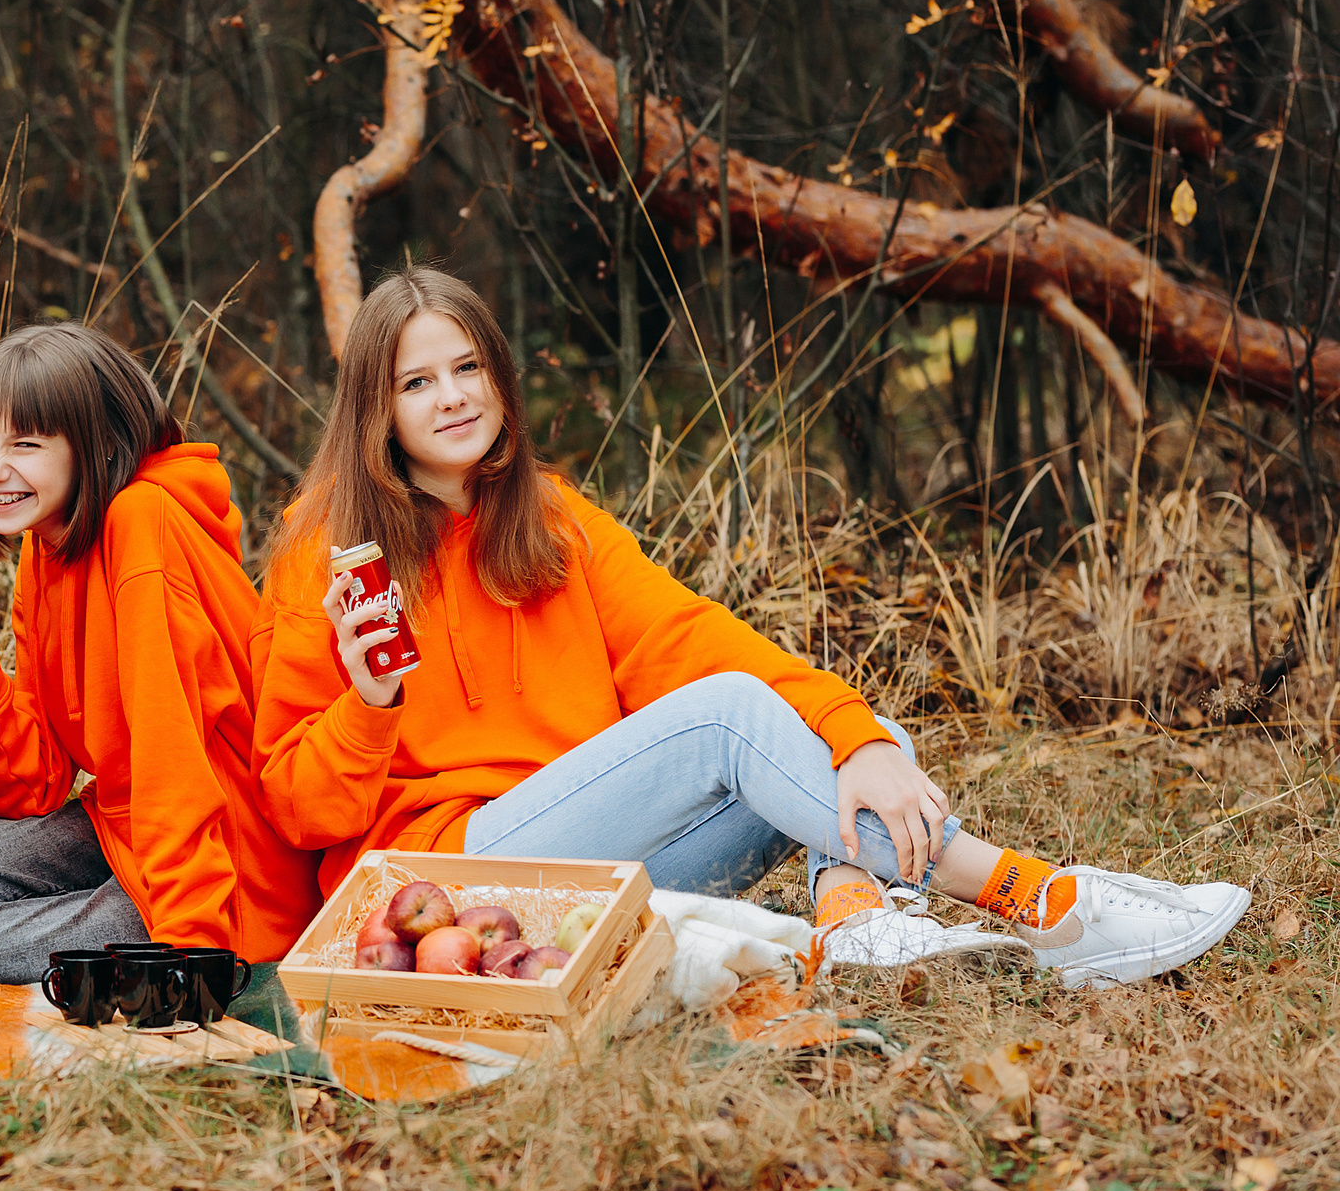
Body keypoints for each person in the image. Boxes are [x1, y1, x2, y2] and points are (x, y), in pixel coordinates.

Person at [251, 266, 1251, 988]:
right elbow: (299, 810)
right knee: (737, 720)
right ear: (374, 409)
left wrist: (855, 733)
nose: (452, 396)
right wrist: (371, 700)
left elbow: (696, 639)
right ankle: (1039, 899)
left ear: (499, 378)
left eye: (466, 367)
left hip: (591, 872)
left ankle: (855, 918)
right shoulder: (329, 555)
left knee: (852, 745)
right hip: (456, 885)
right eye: (416, 382)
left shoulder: (547, 518)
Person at [0, 324, 322, 983]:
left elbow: (174, 758)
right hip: (120, 827)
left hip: (222, 876)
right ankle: (73, 913)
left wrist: (193, 954)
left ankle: (129, 928)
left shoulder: (141, 524)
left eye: (25, 443)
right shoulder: (43, 539)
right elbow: (37, 781)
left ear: (95, 448)